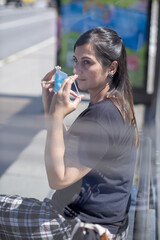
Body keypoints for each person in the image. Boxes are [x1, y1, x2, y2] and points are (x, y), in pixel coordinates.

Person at [0, 27, 139, 240]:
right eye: (75, 60)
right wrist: (50, 108)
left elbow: (58, 178)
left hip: (78, 226)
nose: (77, 69)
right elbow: (75, 151)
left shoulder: (102, 116)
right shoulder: (114, 105)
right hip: (93, 221)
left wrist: (56, 117)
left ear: (111, 67)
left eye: (87, 62)